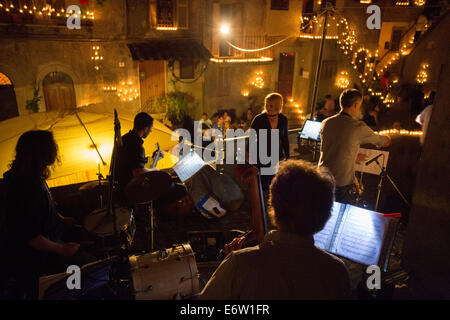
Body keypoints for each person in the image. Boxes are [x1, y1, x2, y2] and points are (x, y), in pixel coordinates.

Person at [200, 160, 352, 300]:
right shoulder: (337, 271)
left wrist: (229, 268)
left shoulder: (240, 264)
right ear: (326, 215)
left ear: (273, 205)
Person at [1, 130, 95, 298]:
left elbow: (41, 211)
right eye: (52, 147)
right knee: (89, 267)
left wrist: (62, 219)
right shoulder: (24, 187)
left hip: (50, 239)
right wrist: (62, 249)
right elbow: (31, 237)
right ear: (40, 152)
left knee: (88, 235)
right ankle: (73, 292)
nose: (56, 151)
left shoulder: (34, 176)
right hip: (36, 257)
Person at [318, 89, 390, 203]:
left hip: (322, 177)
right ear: (356, 105)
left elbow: (334, 147)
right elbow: (382, 142)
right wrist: (388, 137)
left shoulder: (326, 122)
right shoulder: (357, 126)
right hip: (341, 182)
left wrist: (353, 156)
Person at [250, 92, 290, 190]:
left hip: (277, 157)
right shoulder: (259, 119)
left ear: (278, 106)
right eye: (267, 104)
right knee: (263, 185)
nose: (268, 107)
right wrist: (252, 161)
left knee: (276, 184)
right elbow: (251, 140)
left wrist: (288, 158)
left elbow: (285, 139)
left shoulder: (283, 119)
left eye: (271, 105)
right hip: (261, 158)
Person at [116, 112, 155, 199]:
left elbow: (131, 163)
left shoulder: (124, 138)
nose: (150, 131)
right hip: (129, 193)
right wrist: (155, 170)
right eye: (150, 128)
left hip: (118, 191)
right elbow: (138, 172)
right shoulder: (137, 146)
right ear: (146, 128)